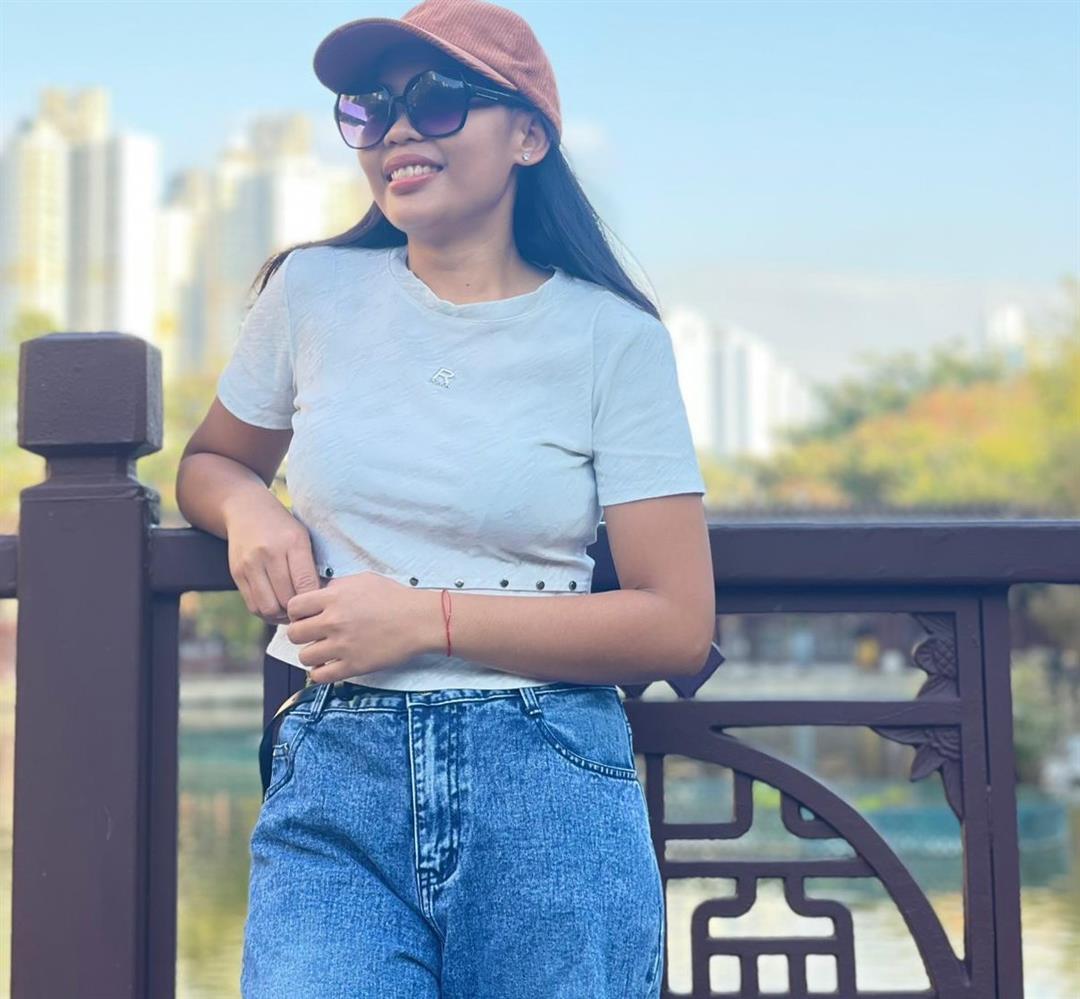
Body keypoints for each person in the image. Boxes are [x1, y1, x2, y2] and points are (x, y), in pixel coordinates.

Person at [175, 1, 715, 995]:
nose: (396, 132)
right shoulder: (310, 292)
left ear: (528, 137)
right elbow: (211, 461)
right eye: (370, 107)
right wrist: (248, 508)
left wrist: (427, 620)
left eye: (436, 99)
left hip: (549, 778)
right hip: (338, 769)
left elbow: (677, 623)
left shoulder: (614, 338)